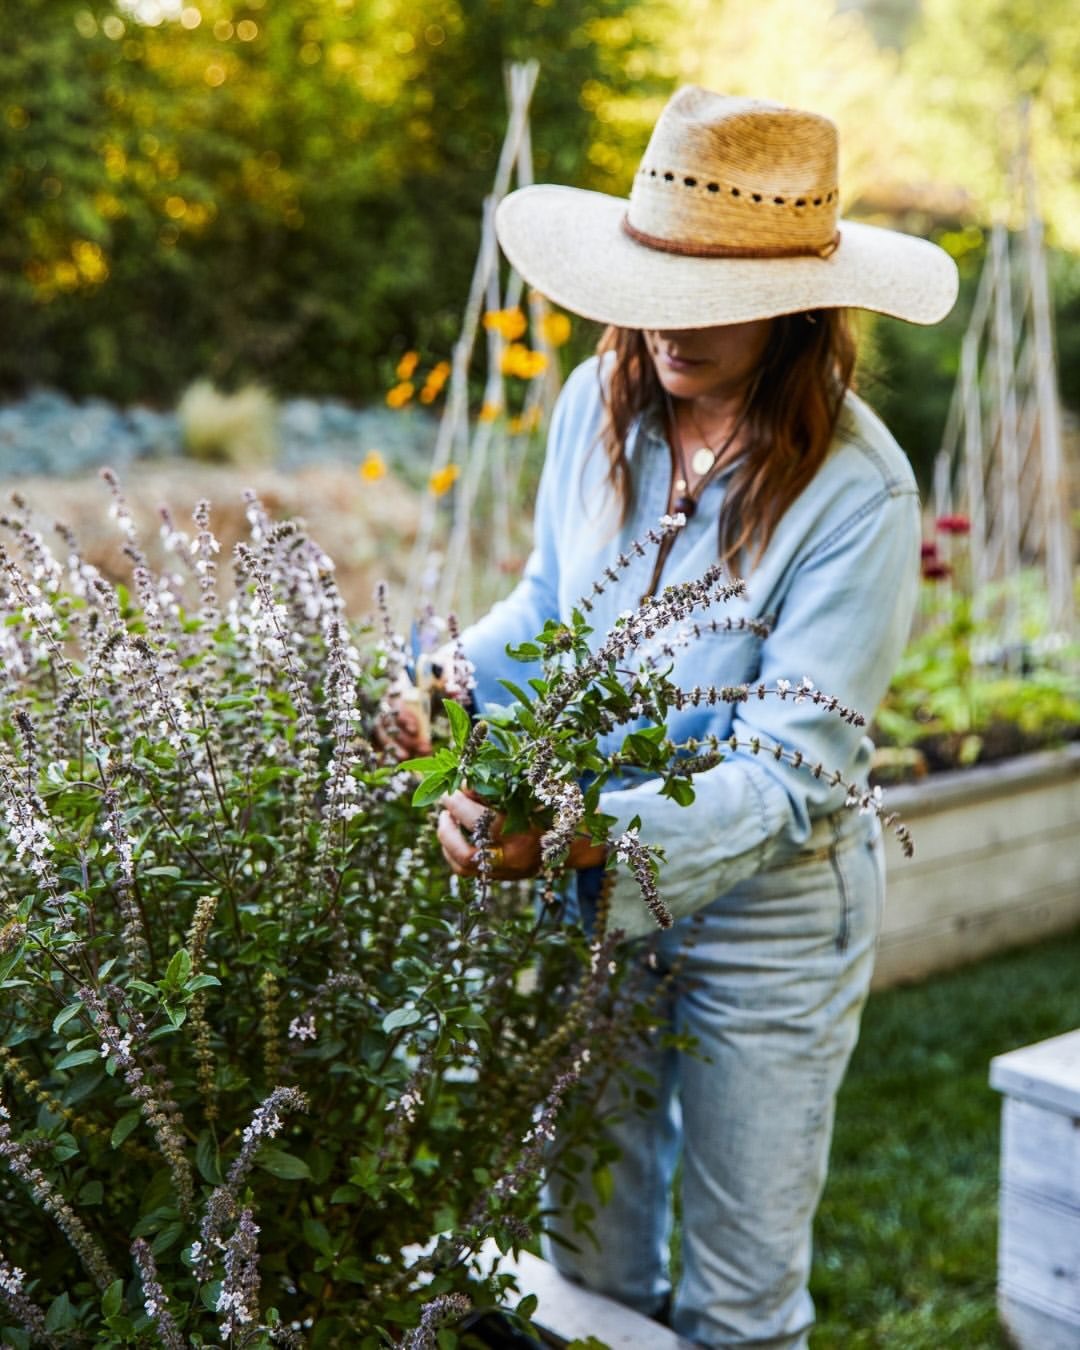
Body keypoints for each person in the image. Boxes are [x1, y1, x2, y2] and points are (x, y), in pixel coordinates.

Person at [396, 88, 958, 1349]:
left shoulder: (856, 494)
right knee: (587, 1245)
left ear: (799, 309)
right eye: (649, 288)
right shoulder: (596, 407)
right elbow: (551, 607)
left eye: (707, 305)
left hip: (769, 921)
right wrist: (446, 685)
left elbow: (792, 772)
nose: (661, 330)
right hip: (594, 894)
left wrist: (586, 837)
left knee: (741, 1290)